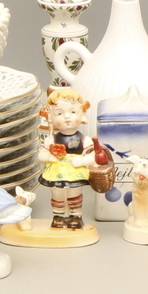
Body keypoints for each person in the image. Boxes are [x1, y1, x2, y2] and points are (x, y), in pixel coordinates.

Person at [37, 88, 111, 230]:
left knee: (74, 194)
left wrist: (83, 161)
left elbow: (94, 157)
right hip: (55, 172)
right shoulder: (50, 140)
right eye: (59, 113)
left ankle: (75, 216)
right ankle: (58, 216)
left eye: (72, 112)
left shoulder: (85, 140)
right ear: (51, 117)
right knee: (57, 194)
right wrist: (49, 156)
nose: (67, 117)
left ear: (82, 114)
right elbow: (41, 155)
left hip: (75, 172)